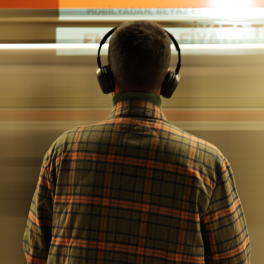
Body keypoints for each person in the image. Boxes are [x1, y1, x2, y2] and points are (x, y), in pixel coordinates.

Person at [23, 21, 251, 264]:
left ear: (107, 76)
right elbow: (235, 258)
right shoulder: (208, 164)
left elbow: (35, 250)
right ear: (168, 81)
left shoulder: (63, 151)